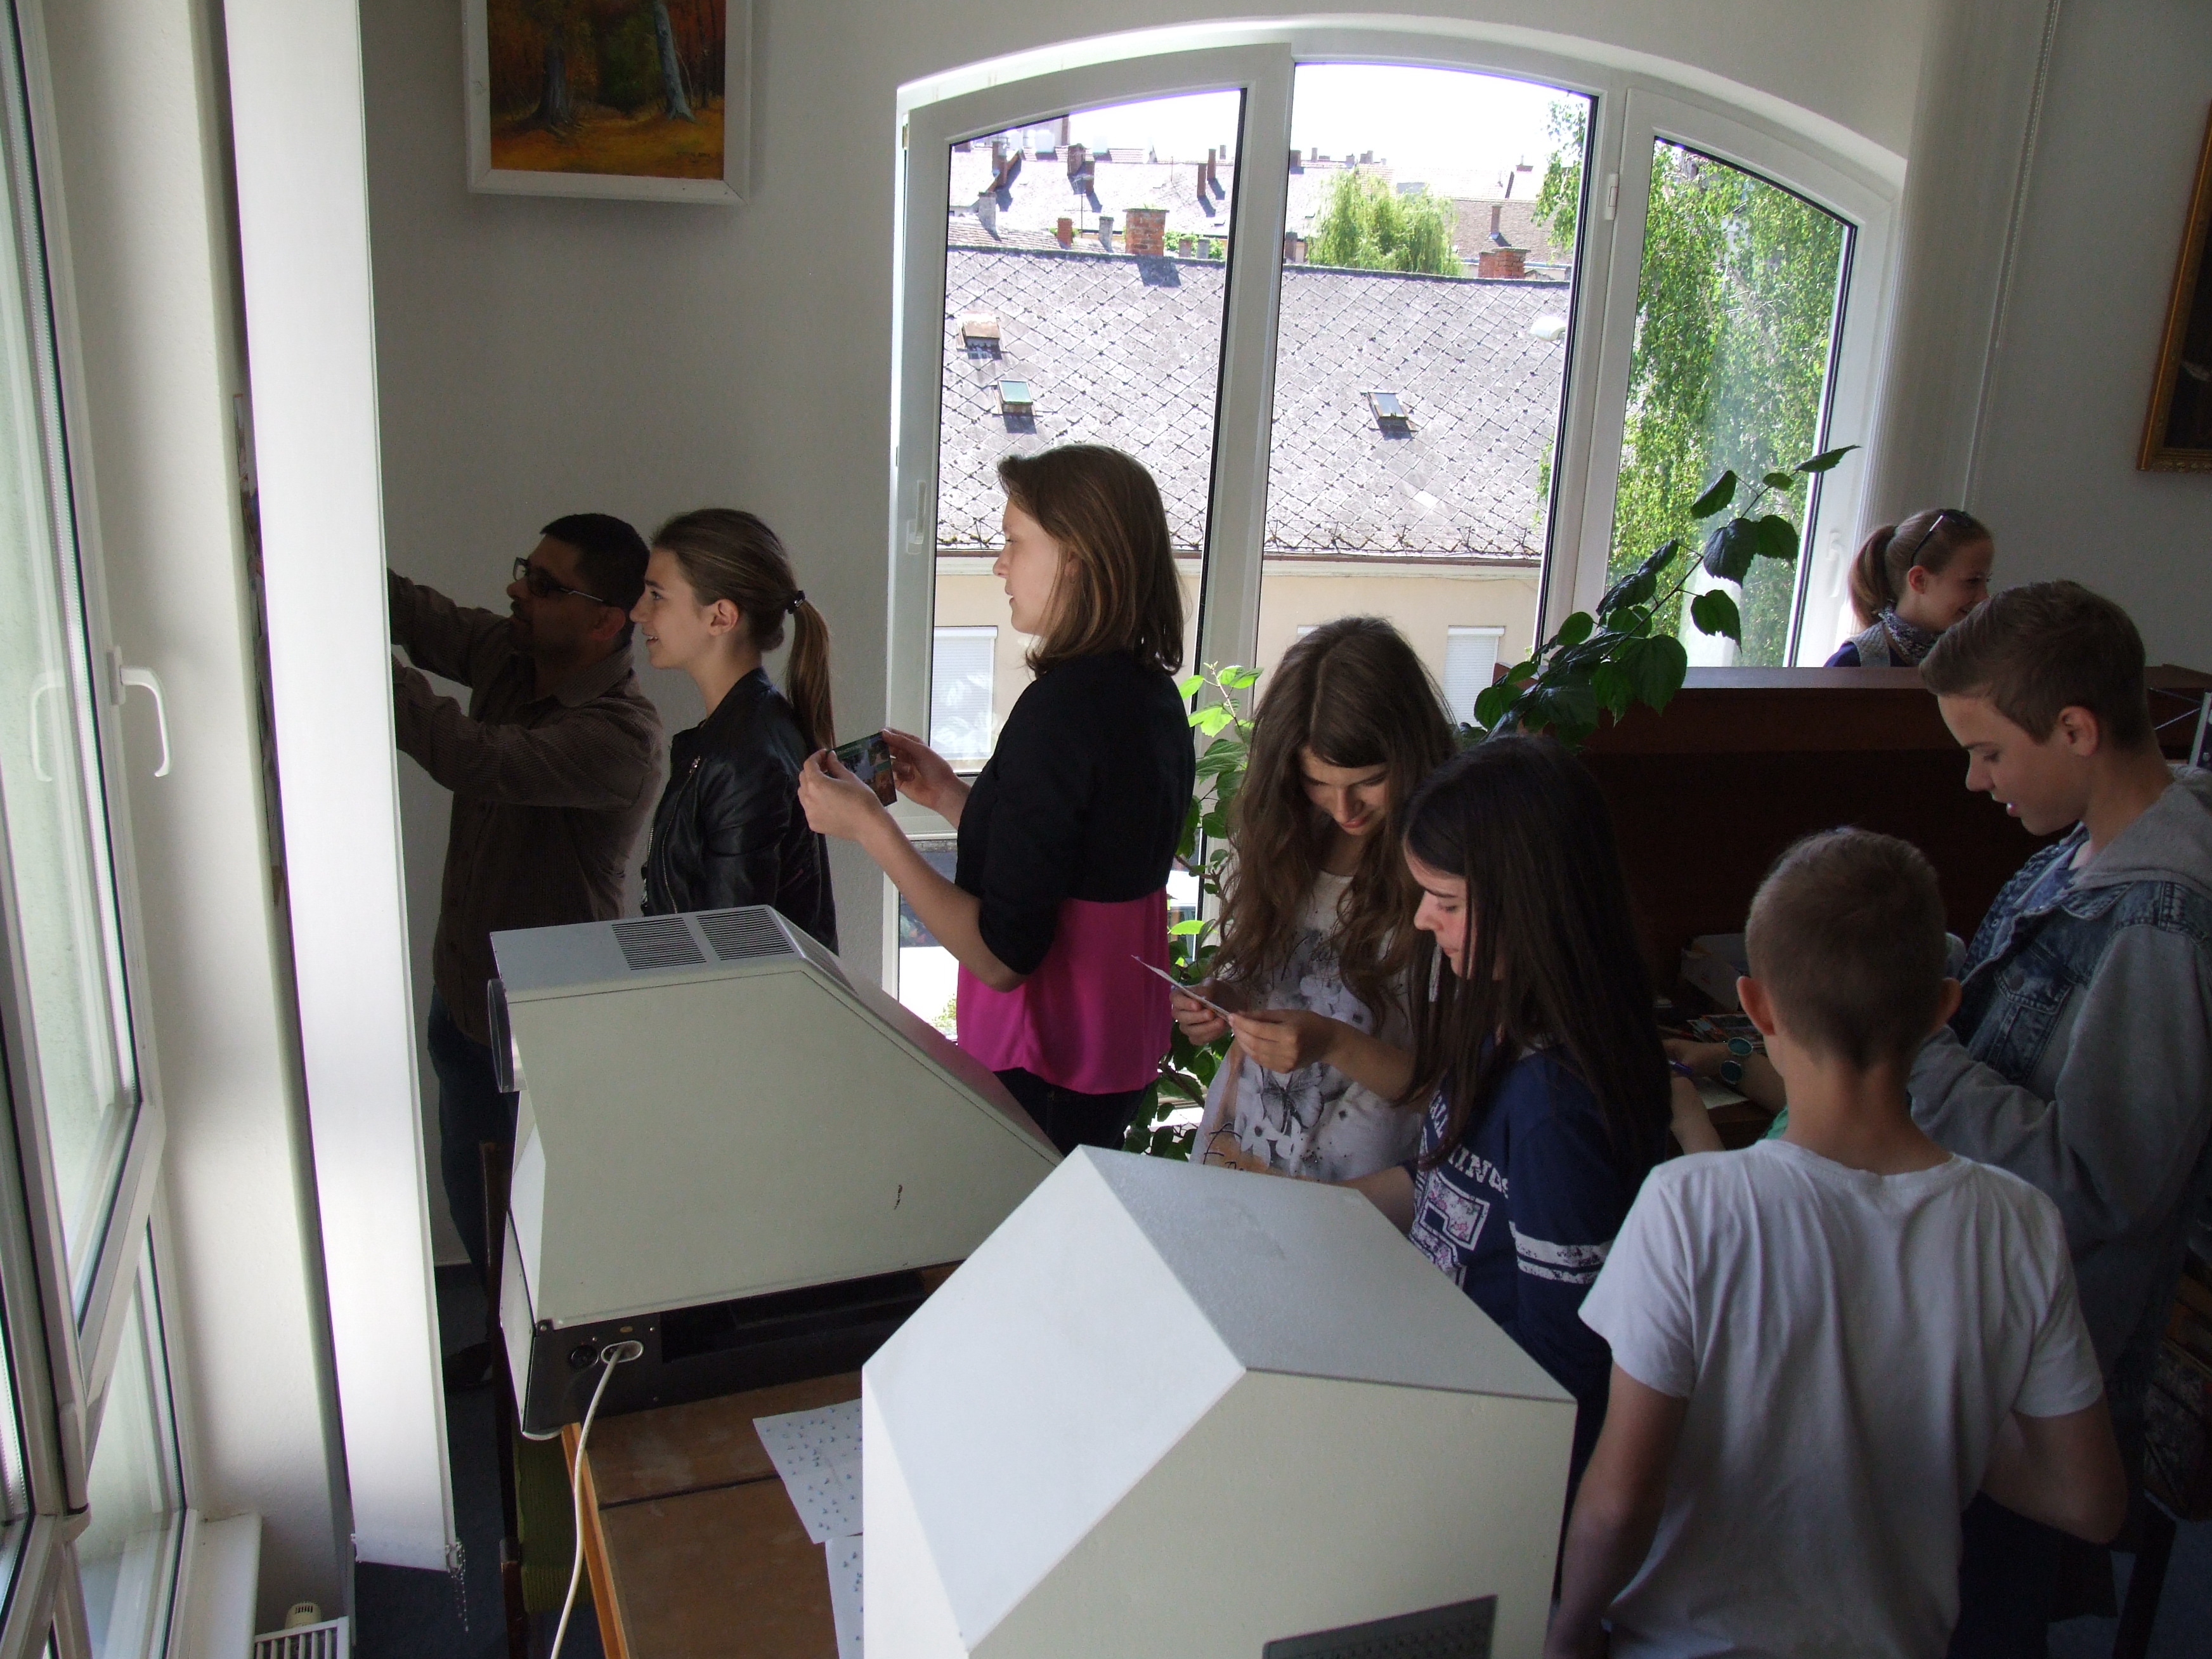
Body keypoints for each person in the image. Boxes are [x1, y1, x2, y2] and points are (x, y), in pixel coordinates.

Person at [1549, 829, 2126, 1659]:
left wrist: (1568, 1633)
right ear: (1943, 1009)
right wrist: (1934, 1413)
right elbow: (2090, 1502)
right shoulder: (2019, 1222)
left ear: (1755, 1007)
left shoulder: (1688, 1204)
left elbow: (1620, 1499)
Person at [1909, 580, 2212, 1654]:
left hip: (2042, 1368)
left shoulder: (2163, 921)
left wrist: (1913, 1054)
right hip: (1982, 1325)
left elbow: (2099, 1185)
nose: (1974, 778)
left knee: (1982, 1617)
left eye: (1989, 752)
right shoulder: (2075, 850)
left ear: (2076, 730)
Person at [798, 445, 1194, 1154]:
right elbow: (1076, 862)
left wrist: (870, 829)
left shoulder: (1060, 711)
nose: (999, 566)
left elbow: (1001, 957)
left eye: (1014, 542)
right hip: (1109, 1050)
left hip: (1048, 1058)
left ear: (1076, 558)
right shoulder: (1148, 693)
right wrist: (953, 797)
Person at [1346, 738, 1674, 1487]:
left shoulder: (1556, 1109)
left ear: (1531, 900)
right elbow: (1451, 1186)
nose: (1422, 920)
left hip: (1492, 1462)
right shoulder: (1495, 1018)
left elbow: (1565, 1361)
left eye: (1447, 902)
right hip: (1444, 1405)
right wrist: (1314, 1210)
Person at [389, 515, 660, 1386]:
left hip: (542, 1035)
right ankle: (510, 1360)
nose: (518, 590)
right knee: (475, 1200)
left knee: (545, 1229)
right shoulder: (514, 654)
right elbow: (422, 616)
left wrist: (351, 662)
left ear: (605, 620)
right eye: (526, 571)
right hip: (464, 996)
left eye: (545, 585)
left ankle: (562, 1392)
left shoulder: (620, 736)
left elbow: (474, 757)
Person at [1171, 618, 1452, 1181]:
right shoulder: (1292, 843)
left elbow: (1453, 1089)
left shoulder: (1447, 877)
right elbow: (1275, 981)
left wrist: (1334, 1043)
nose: (1343, 809)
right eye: (1317, 782)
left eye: (1368, 781)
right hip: (1245, 1154)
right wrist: (1225, 999)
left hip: (1362, 1189)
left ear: (1412, 754)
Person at [632, 508, 837, 949]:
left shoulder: (742, 759)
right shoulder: (746, 731)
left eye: (657, 596)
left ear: (720, 617)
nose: (637, 613)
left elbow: (734, 950)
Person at [1825, 507, 1995, 667]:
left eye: (1986, 581)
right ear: (1919, 580)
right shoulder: (1853, 665)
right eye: (1972, 581)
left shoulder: (1979, 662)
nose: (1984, 598)